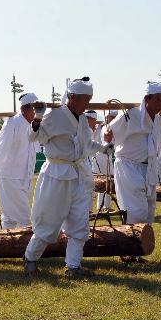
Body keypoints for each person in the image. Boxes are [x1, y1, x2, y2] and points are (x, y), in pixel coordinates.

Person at [23, 78, 111, 278]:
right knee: (48, 222)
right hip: (56, 175)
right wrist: (37, 117)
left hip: (79, 176)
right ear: (72, 98)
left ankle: (73, 266)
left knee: (80, 223)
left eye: (90, 99)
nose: (88, 104)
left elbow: (87, 145)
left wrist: (104, 148)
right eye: (85, 99)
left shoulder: (81, 120)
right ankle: (30, 258)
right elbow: (33, 137)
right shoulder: (55, 116)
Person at [107, 82, 161, 225]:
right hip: (129, 167)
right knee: (136, 212)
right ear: (147, 99)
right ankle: (132, 243)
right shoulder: (131, 115)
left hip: (149, 168)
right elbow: (109, 130)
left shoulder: (158, 120)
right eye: (158, 99)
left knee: (149, 211)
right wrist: (107, 135)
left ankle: (141, 245)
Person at [0, 93, 41, 229]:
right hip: (10, 178)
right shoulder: (12, 123)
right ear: (24, 109)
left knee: (10, 220)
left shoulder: (34, 125)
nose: (37, 113)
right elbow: (1, 147)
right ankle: (28, 249)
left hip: (25, 178)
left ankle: (1, 246)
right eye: (34, 110)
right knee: (25, 218)